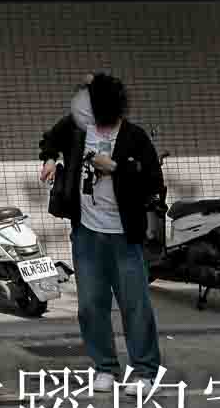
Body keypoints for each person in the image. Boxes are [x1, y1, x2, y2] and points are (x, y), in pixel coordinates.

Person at [39, 72, 164, 391]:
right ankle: (105, 367)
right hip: (86, 234)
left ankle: (145, 371)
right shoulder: (77, 129)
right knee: (91, 305)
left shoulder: (134, 137)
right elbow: (49, 139)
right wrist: (50, 160)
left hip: (125, 234)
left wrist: (117, 168)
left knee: (134, 304)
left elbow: (153, 181)